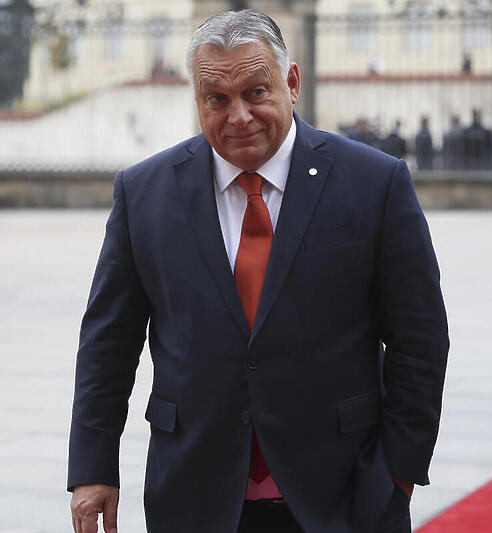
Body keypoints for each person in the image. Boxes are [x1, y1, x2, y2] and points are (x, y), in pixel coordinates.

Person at [67, 9, 449, 533]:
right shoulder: (144, 193)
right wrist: (92, 468)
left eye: (256, 92)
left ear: (291, 83)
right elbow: (107, 344)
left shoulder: (374, 184)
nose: (239, 115)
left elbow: (420, 339)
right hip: (194, 497)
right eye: (217, 99)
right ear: (197, 100)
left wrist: (399, 472)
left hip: (342, 497)